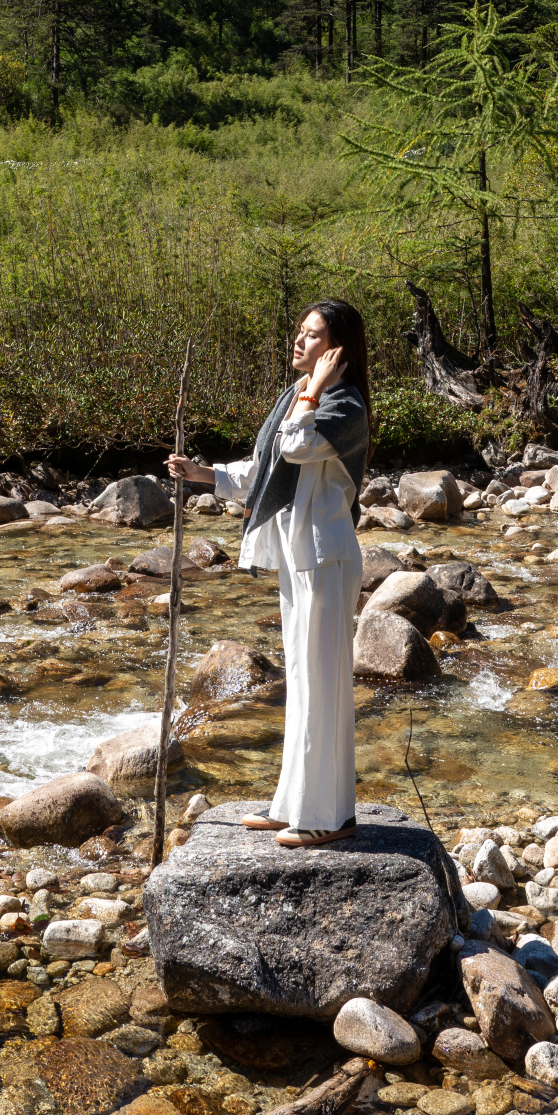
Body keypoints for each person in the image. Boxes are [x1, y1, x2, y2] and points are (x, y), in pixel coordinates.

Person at [168, 298, 371, 847]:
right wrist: (204, 474)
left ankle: (330, 818)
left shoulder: (345, 405)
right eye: (299, 332)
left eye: (312, 336)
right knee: (303, 685)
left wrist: (311, 392)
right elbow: (266, 468)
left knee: (324, 686)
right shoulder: (297, 399)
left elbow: (300, 447)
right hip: (300, 559)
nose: (299, 342)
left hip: (327, 560)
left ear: (337, 349)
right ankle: (295, 805)